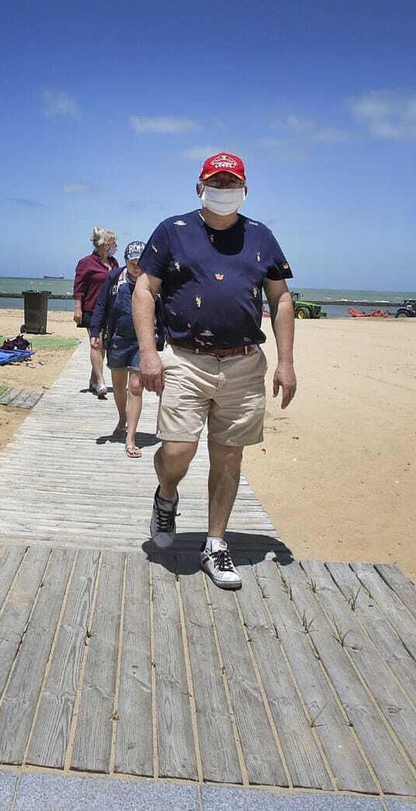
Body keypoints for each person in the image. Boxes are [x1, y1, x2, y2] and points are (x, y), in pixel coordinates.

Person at [133, 152, 296, 589]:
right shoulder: (172, 230)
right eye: (216, 182)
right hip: (185, 359)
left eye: (231, 183)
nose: (224, 190)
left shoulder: (261, 236)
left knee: (228, 456)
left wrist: (286, 362)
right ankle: (166, 495)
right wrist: (148, 353)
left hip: (244, 363)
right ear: (199, 187)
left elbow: (281, 298)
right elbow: (144, 290)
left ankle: (215, 543)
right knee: (177, 451)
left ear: (245, 189)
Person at [89, 240, 157, 457]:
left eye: (140, 263)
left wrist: (162, 337)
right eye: (132, 263)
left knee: (135, 387)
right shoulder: (114, 278)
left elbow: (163, 308)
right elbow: (101, 305)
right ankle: (122, 419)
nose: (137, 267)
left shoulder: (153, 279)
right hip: (117, 339)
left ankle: (130, 438)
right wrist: (95, 331)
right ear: (126, 261)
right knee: (119, 387)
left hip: (142, 342)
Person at [73, 227, 118, 398]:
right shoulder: (86, 263)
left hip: (110, 310)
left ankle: (93, 380)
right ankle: (100, 381)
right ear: (104, 244)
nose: (115, 246)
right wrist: (78, 308)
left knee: (103, 346)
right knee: (95, 343)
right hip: (91, 309)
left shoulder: (113, 263)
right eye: (113, 242)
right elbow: (78, 287)